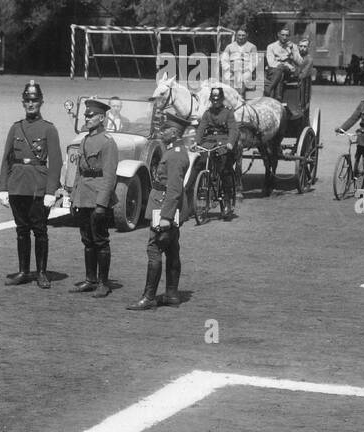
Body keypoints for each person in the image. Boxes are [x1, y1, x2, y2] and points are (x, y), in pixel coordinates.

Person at [0, 80, 62, 289]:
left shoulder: (49, 129)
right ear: (23, 102)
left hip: (38, 187)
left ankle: (41, 272)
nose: (31, 104)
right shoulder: (16, 128)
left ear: (41, 102)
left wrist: (51, 191)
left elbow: (56, 161)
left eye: (34, 100)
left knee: (40, 230)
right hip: (17, 186)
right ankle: (24, 271)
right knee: (21, 230)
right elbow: (6, 159)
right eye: (27, 100)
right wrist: (3, 188)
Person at [128, 117, 189, 311]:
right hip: (166, 205)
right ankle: (171, 294)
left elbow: (174, 189)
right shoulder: (175, 151)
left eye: (166, 129)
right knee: (172, 249)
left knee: (154, 249)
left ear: (175, 133)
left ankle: (149, 297)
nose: (161, 132)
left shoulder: (175, 155)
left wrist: (166, 217)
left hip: (164, 207)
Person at [69, 98, 118, 298]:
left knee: (100, 240)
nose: (87, 118)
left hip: (97, 196)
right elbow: (79, 173)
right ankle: (90, 279)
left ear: (101, 118)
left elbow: (110, 176)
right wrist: (74, 198)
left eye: (91, 116)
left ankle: (103, 283)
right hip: (84, 196)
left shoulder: (107, 143)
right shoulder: (85, 140)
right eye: (86, 115)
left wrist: (101, 204)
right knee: (87, 240)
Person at [193, 85, 240, 219]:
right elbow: (201, 128)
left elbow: (233, 129)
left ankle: (227, 202)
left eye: (217, 99)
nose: (215, 101)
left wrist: (230, 142)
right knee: (200, 162)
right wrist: (196, 142)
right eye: (213, 99)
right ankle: (200, 191)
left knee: (224, 170)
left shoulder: (228, 112)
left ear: (221, 99)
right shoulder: (207, 113)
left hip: (224, 141)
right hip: (209, 141)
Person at [264, 28, 301, 101]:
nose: (284, 37)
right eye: (283, 35)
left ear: (289, 36)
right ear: (278, 35)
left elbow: (300, 62)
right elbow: (271, 63)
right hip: (273, 71)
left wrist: (292, 53)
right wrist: (285, 64)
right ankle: (278, 96)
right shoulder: (271, 46)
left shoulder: (293, 46)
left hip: (288, 73)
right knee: (280, 71)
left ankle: (269, 89)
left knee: (281, 70)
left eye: (287, 35)